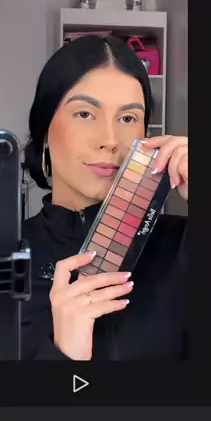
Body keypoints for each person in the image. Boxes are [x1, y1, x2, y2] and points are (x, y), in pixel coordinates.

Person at [21, 35, 188, 360]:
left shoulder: (183, 244)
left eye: (127, 118)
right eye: (85, 114)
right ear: (44, 132)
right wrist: (65, 357)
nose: (110, 140)